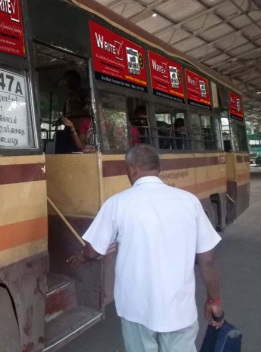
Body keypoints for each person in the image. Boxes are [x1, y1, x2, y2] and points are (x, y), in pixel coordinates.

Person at [68, 145, 224, 352]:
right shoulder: (190, 202)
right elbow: (207, 260)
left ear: (132, 170)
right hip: (179, 310)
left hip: (136, 310)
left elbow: (93, 250)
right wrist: (214, 300)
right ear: (158, 168)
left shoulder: (117, 203)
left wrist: (83, 255)